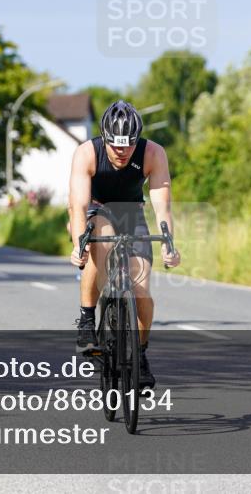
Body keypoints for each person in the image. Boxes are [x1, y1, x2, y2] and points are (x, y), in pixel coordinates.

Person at [68, 100, 181, 389]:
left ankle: (140, 354)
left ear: (137, 140)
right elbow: (78, 205)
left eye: (128, 145)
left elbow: (162, 205)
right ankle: (86, 320)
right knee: (100, 241)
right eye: (115, 145)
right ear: (104, 138)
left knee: (141, 290)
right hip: (96, 209)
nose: (121, 152)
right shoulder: (87, 153)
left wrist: (168, 242)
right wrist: (79, 245)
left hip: (132, 213)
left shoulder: (153, 153)